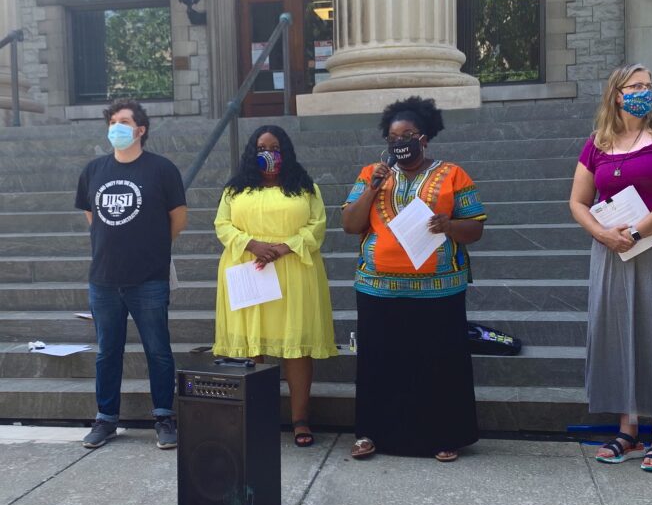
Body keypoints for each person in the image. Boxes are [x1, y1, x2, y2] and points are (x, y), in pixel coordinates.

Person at [569, 63, 652, 472]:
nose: (644, 91)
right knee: (618, 333)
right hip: (611, 253)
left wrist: (638, 232)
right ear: (617, 94)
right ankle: (627, 428)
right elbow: (577, 201)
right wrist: (603, 234)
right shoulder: (597, 144)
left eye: (649, 85)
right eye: (636, 85)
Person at [341, 97, 486, 462]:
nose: (400, 142)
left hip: (438, 289)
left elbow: (475, 229)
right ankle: (370, 434)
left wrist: (450, 226)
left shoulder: (453, 174)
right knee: (378, 363)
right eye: (393, 137)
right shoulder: (369, 174)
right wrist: (373, 187)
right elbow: (350, 225)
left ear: (424, 138)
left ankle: (443, 435)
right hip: (378, 288)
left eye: (408, 135)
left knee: (436, 363)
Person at [213, 125, 335, 446]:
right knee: (254, 349)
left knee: (295, 348)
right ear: (252, 152)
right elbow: (222, 225)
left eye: (275, 146)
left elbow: (317, 225)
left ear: (286, 151)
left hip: (293, 271)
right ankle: (257, 418)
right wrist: (251, 243)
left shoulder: (305, 187)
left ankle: (300, 419)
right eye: (261, 147)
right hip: (249, 269)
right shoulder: (234, 190)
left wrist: (285, 246)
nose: (268, 152)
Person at [75, 99, 187, 449]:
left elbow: (178, 218)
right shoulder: (94, 170)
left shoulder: (162, 169)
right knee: (107, 351)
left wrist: (149, 246)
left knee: (158, 349)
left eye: (124, 121)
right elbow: (92, 218)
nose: (116, 126)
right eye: (112, 121)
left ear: (141, 130)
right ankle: (106, 419)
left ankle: (164, 417)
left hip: (149, 278)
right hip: (104, 279)